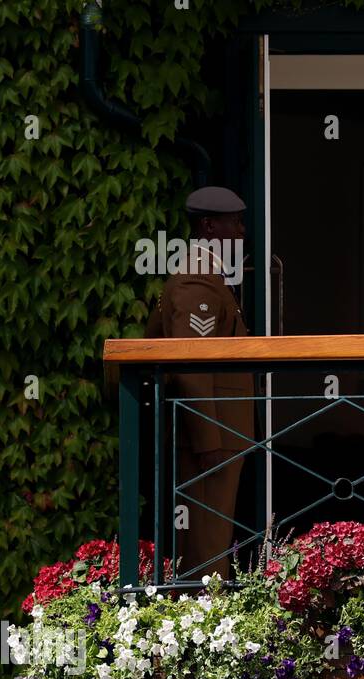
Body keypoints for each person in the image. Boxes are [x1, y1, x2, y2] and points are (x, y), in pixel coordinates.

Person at [145, 186, 256, 582]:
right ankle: (205, 636)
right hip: (212, 437)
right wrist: (208, 441)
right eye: (235, 223)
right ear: (209, 226)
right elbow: (191, 365)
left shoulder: (207, 276)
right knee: (206, 553)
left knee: (209, 545)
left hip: (220, 434)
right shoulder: (198, 280)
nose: (242, 232)